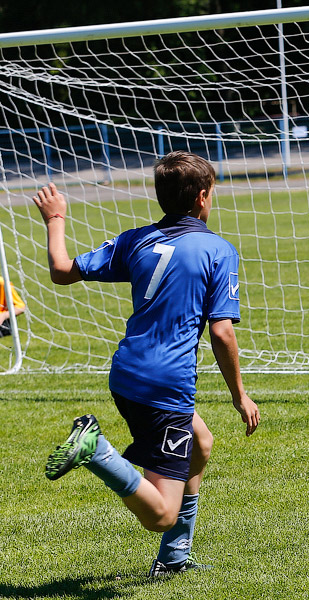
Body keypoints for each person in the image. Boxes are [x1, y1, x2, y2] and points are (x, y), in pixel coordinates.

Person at [31, 151, 261, 577]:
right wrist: (240, 396)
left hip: (126, 373)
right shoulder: (217, 249)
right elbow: (222, 332)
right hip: (166, 385)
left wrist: (55, 218)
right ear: (204, 197)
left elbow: (62, 271)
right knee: (161, 515)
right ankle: (96, 450)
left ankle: (174, 558)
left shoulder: (135, 239)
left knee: (201, 443)